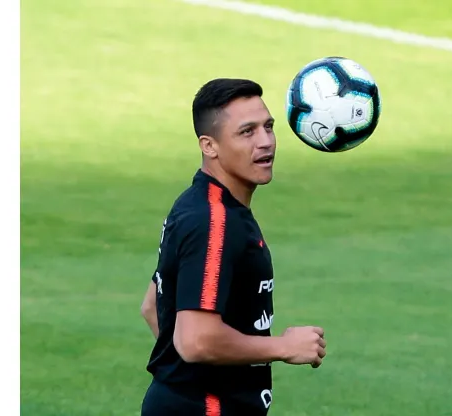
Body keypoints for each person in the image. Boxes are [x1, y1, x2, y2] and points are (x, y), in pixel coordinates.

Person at [139, 78, 327, 416]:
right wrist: (284, 346)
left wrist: (186, 378)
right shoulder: (214, 222)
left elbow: (153, 306)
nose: (266, 142)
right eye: (247, 132)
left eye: (268, 127)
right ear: (209, 146)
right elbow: (194, 340)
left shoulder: (199, 204)